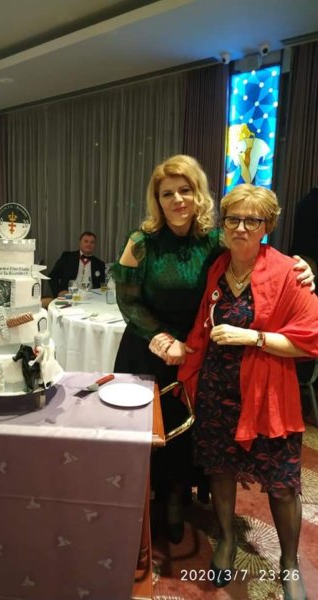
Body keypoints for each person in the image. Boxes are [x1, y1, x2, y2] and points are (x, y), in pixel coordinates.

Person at [112, 155, 314, 545]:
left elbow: (254, 251)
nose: (177, 199)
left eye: (185, 190)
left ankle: (176, 500)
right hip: (147, 346)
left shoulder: (213, 239)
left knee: (185, 433)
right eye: (167, 193)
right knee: (144, 429)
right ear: (157, 199)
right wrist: (160, 338)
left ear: (198, 194)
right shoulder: (140, 242)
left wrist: (305, 267)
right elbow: (128, 301)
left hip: (195, 349)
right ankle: (141, 500)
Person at [178, 184, 318, 597]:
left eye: (252, 220)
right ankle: (227, 540)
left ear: (267, 225)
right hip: (218, 390)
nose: (241, 228)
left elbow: (310, 340)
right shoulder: (218, 268)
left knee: (283, 483)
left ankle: (289, 563)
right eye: (233, 219)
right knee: (220, 469)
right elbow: (203, 325)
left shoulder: (290, 272)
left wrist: (252, 338)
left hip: (267, 397)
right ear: (223, 223)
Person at [49, 231, 105, 297]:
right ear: (80, 243)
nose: (89, 244)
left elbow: (102, 285)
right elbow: (52, 276)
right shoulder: (67, 257)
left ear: (94, 245)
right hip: (69, 296)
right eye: (86, 241)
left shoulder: (100, 264)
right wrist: (58, 292)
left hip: (91, 297)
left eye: (92, 242)